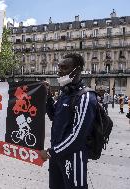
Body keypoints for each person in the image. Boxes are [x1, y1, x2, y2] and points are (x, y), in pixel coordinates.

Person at [40, 53, 97, 189]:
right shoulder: (64, 93)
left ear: (76, 70)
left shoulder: (85, 97)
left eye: (64, 67)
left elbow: (77, 137)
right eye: (59, 67)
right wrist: (47, 96)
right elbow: (54, 116)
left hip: (73, 159)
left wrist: (49, 152)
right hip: (56, 155)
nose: (59, 71)